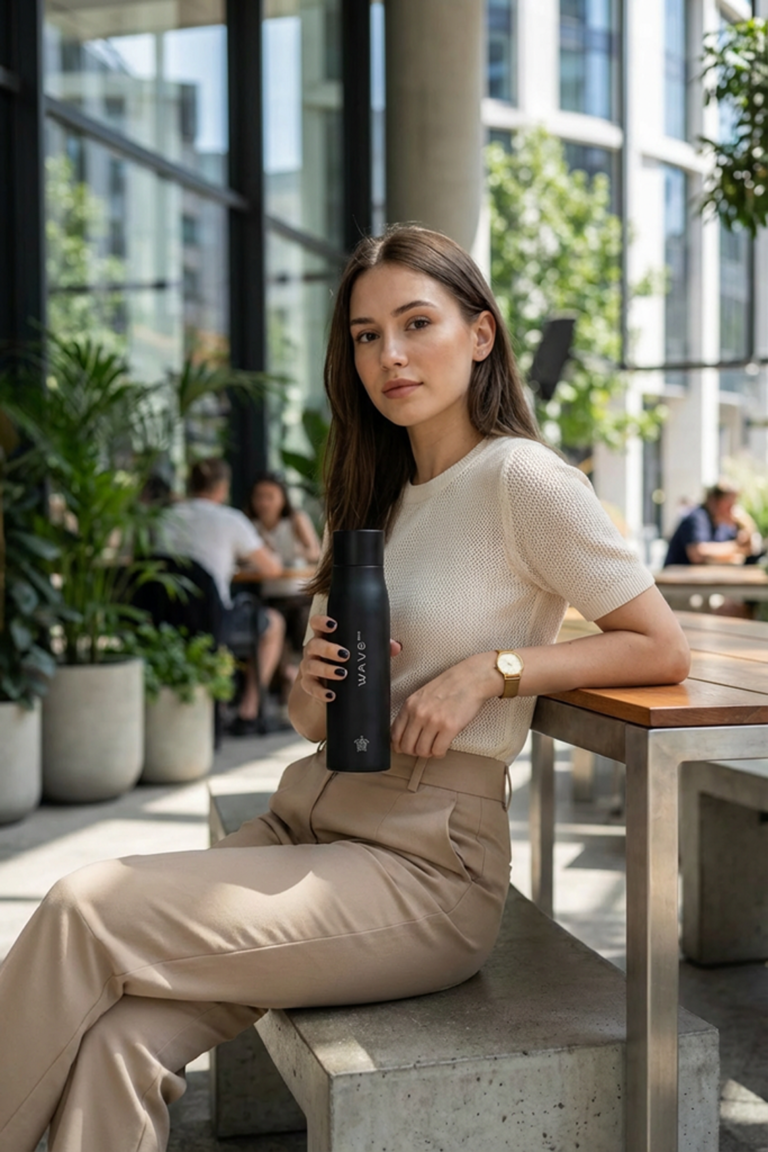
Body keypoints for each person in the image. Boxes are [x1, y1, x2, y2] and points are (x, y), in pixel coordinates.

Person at [0, 226, 690, 1152]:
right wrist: (312, 677)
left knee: (84, 906)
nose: (390, 355)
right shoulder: (378, 495)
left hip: (423, 868)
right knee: (117, 1044)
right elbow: (303, 719)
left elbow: (659, 644)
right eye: (367, 335)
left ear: (480, 334)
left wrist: (495, 671)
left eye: (416, 323)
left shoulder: (522, 478)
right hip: (308, 827)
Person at [159, 457, 286, 733]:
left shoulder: (163, 517)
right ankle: (248, 711)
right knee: (274, 623)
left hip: (163, 619)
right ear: (222, 488)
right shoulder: (230, 520)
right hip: (212, 619)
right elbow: (273, 568)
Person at [246, 470, 321, 689]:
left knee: (303, 639)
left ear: (282, 499)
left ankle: (293, 679)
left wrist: (293, 554)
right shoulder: (250, 525)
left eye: (270, 496)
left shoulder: (296, 520)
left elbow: (315, 553)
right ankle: (282, 683)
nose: (264, 503)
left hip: (298, 595)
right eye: (259, 496)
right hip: (269, 597)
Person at [664, 479, 762, 567]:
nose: (733, 507)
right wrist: (736, 547)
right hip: (678, 584)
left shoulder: (724, 526)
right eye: (729, 501)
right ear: (713, 501)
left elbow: (748, 550)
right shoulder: (697, 518)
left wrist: (747, 527)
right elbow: (697, 554)